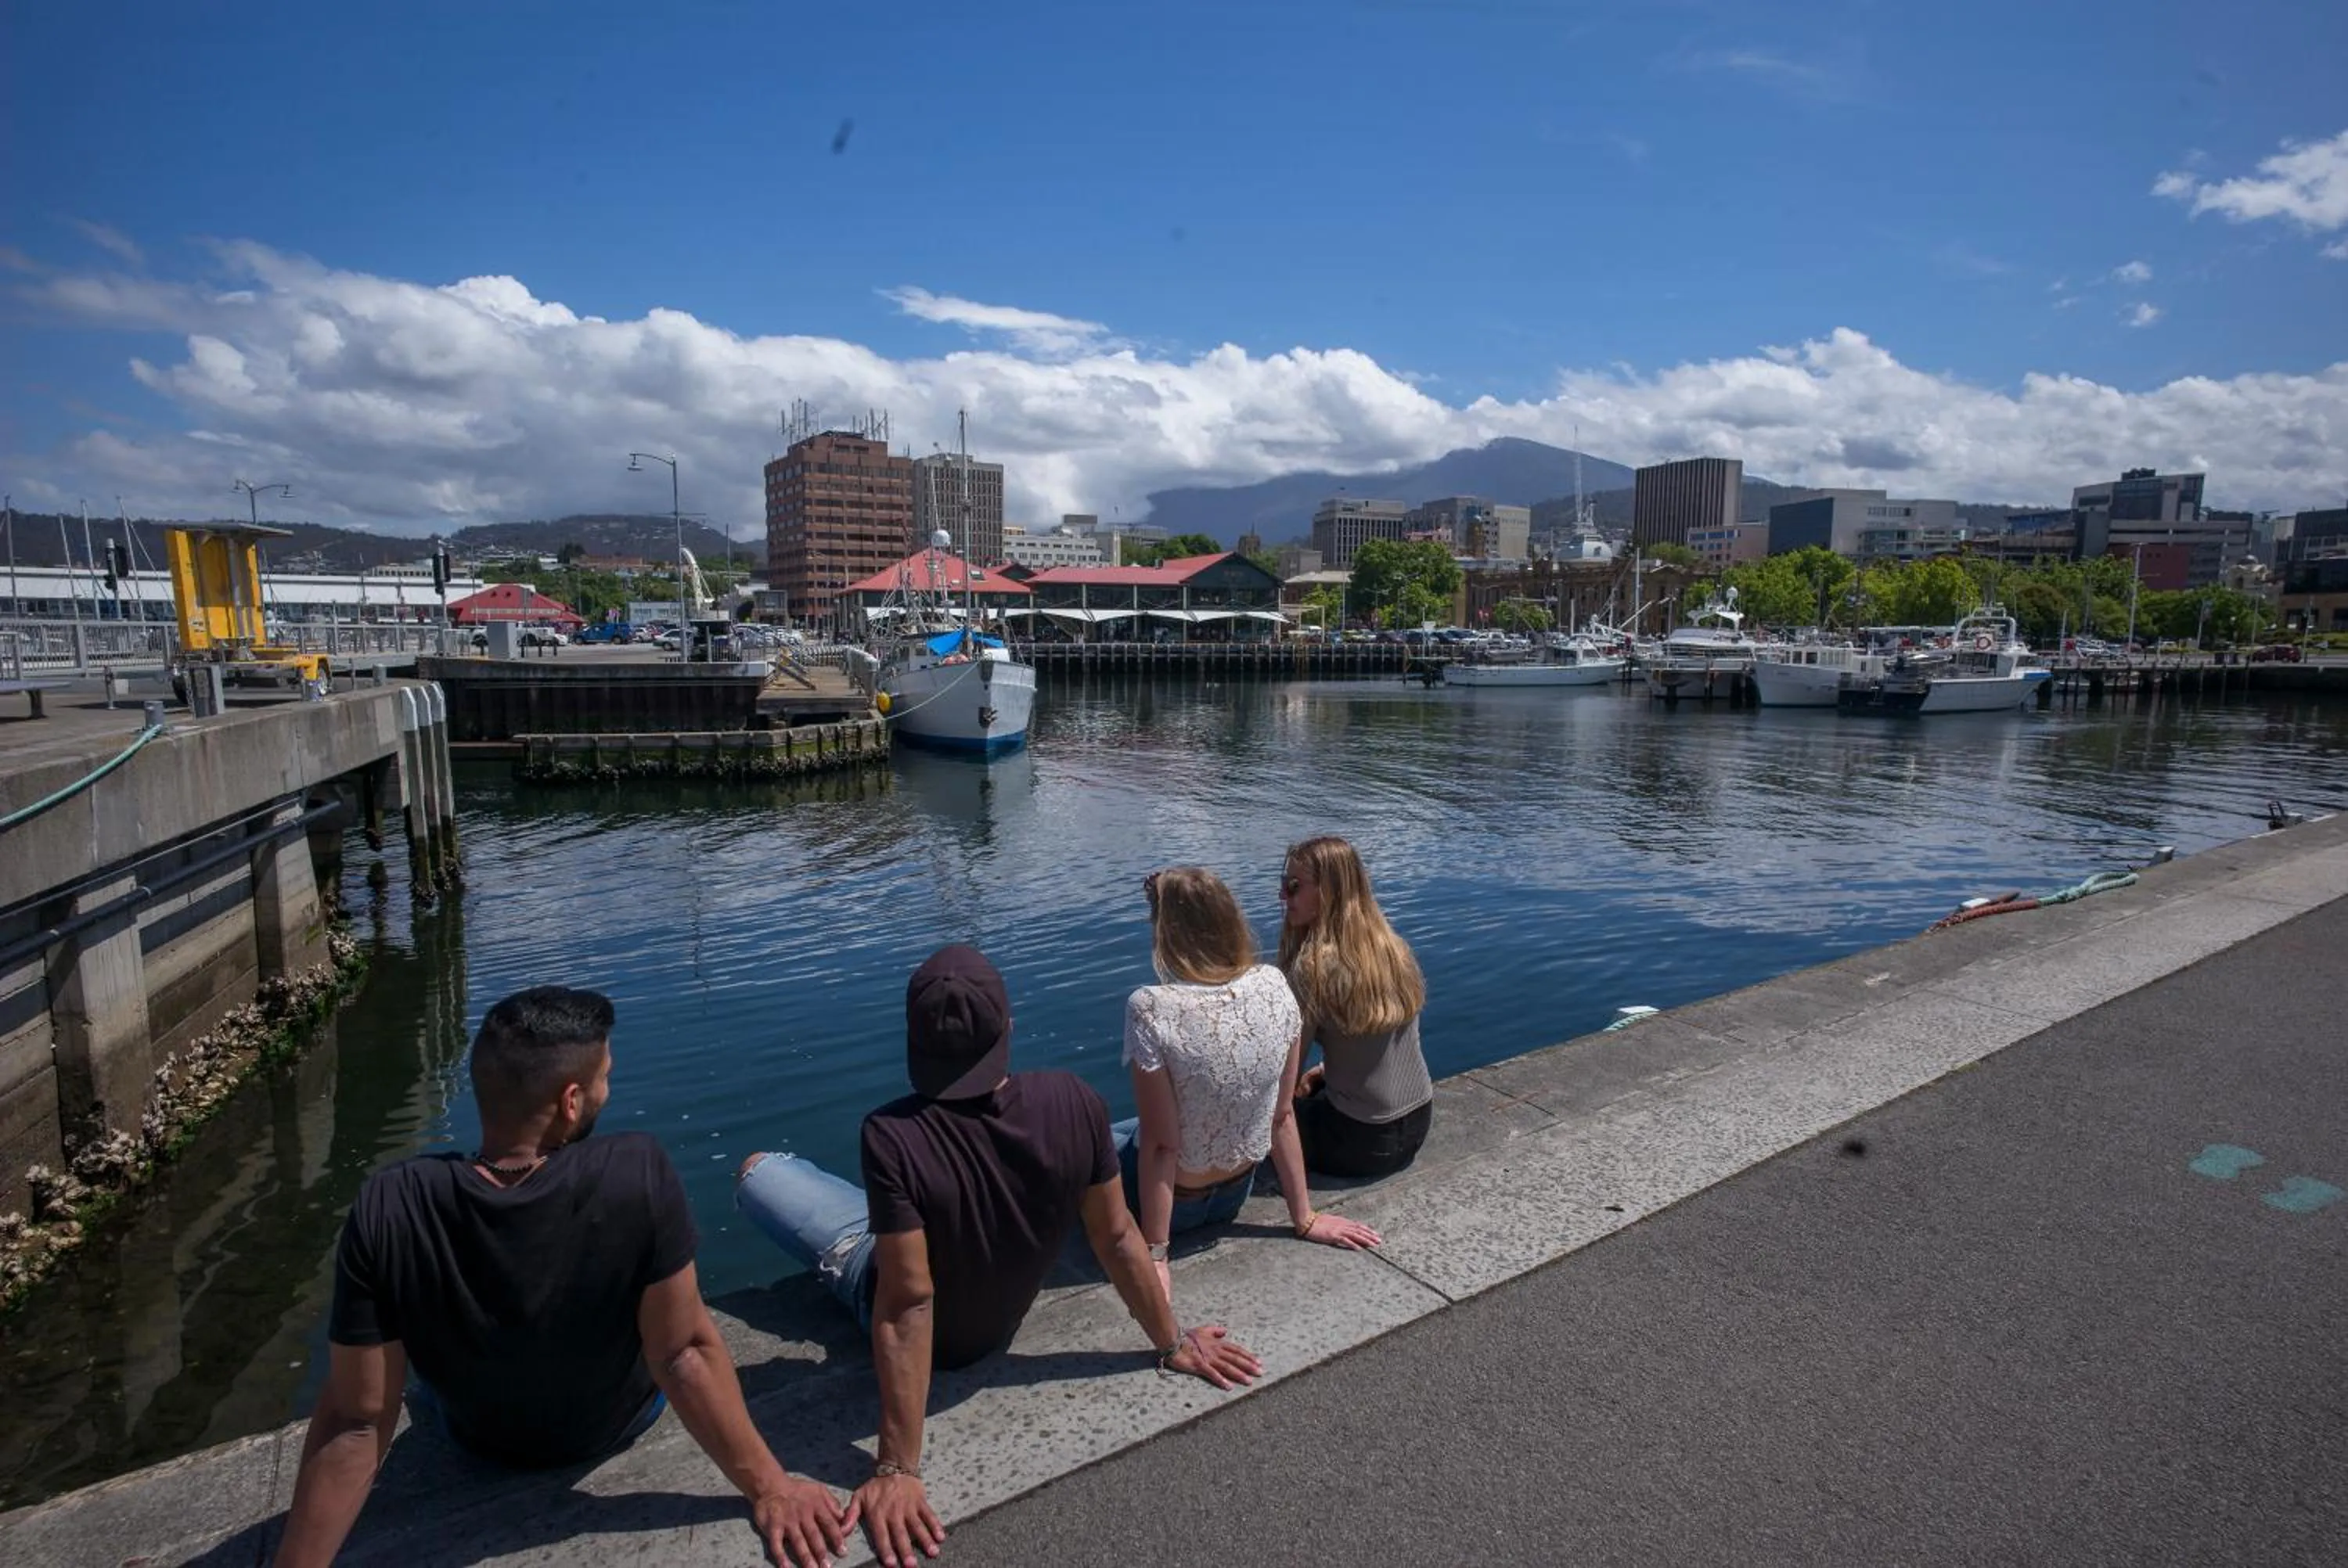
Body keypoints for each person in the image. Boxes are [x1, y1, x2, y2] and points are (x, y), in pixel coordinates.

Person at [277, 987, 851, 1568]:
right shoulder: (635, 1172)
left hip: (479, 1439)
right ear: (571, 1101)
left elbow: (356, 1419)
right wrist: (773, 1489)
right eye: (605, 1077)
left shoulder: (390, 1203)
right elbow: (682, 1357)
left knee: (412, 1381)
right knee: (683, 1317)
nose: (609, 1088)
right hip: (613, 1425)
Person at [735, 944, 1261, 1568]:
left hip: (878, 1276)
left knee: (759, 1170)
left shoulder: (891, 1134)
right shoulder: (1073, 1101)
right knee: (1104, 1145)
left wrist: (898, 1466)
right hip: (995, 1322)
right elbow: (1117, 1237)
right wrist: (1172, 1342)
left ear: (914, 1042)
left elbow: (907, 1301)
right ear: (1008, 1029)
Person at [1122, 869, 1381, 1303]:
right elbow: (1281, 1115)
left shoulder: (1150, 1007)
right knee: (1134, 1128)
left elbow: (1163, 1147)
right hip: (1235, 1193)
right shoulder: (1274, 984)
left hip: (1179, 1208)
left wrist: (1156, 1256)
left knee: (1094, 1148)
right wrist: (1306, 1218)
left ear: (1165, 932)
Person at [1275, 836, 1435, 1179]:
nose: (1282, 896)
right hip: (1418, 1124)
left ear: (1329, 892)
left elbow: (1283, 1084)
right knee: (1315, 1087)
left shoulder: (1312, 968)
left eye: (1293, 886)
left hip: (1358, 1142)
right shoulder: (1393, 948)